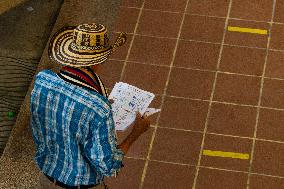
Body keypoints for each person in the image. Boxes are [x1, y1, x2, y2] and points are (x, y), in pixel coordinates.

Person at [30, 23, 151, 189]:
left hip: (46, 176)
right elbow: (108, 165)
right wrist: (135, 133)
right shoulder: (99, 109)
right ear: (100, 59)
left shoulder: (43, 80)